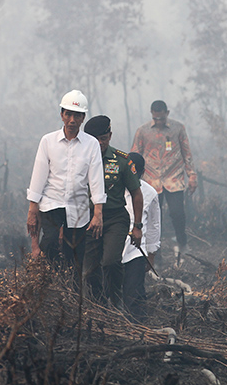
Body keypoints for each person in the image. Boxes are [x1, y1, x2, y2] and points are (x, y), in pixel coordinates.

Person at [26, 90, 106, 275]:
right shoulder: (48, 141)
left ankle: (71, 290)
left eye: (76, 115)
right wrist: (32, 208)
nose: (72, 120)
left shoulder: (91, 144)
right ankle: (52, 280)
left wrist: (98, 213)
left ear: (83, 118)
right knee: (51, 242)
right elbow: (39, 175)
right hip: (52, 202)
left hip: (78, 207)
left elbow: (95, 180)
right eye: (68, 114)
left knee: (75, 255)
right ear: (61, 115)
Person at [82, 115, 143, 307]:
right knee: (88, 271)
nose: (100, 143)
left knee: (110, 262)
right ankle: (98, 305)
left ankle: (116, 301)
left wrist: (137, 226)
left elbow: (136, 194)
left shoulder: (122, 161)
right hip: (88, 219)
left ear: (110, 135)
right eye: (95, 139)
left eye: (104, 138)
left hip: (115, 218)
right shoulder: (79, 159)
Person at [131, 100, 197, 260]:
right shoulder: (143, 131)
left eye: (162, 118)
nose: (159, 121)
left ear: (167, 113)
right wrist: (132, 178)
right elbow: (134, 154)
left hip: (174, 179)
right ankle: (154, 252)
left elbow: (186, 152)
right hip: (151, 181)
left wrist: (192, 175)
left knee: (177, 213)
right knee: (152, 218)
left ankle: (182, 243)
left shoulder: (178, 129)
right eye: (156, 118)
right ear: (152, 114)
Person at [122, 152, 161, 321]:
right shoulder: (111, 189)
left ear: (142, 172)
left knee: (134, 293)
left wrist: (150, 254)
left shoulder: (150, 193)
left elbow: (154, 225)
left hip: (136, 250)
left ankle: (137, 328)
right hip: (111, 246)